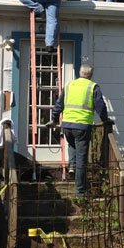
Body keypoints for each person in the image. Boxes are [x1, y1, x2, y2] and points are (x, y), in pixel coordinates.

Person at [47, 63, 112, 198]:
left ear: (80, 73)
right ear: (91, 75)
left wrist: (54, 119)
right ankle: (80, 191)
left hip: (67, 125)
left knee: (72, 145)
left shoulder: (69, 85)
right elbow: (100, 106)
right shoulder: (93, 87)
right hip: (82, 126)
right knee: (82, 159)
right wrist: (105, 120)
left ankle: (72, 167)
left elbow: (59, 104)